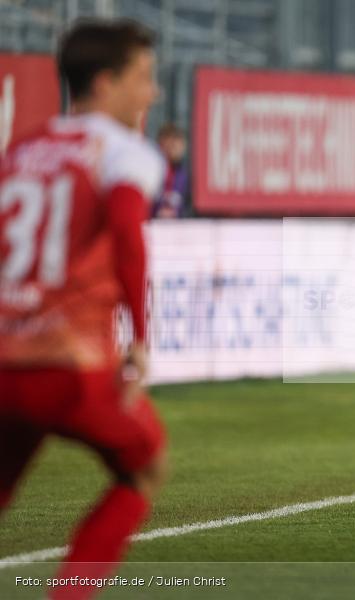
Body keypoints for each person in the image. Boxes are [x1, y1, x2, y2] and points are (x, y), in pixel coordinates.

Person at [0, 19, 167, 599]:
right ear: (104, 82)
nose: (153, 93)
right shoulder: (124, 152)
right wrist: (140, 337)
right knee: (144, 465)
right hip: (67, 366)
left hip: (4, 361)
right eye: (143, 78)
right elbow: (126, 236)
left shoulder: (21, 147)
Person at [152, 122, 189, 218]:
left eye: (179, 144)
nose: (174, 148)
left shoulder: (184, 177)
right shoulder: (150, 172)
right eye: (171, 144)